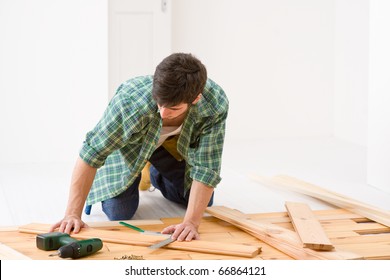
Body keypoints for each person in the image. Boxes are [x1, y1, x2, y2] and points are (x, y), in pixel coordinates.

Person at [50, 53, 229, 242]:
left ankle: (153, 172)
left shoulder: (214, 104)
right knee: (119, 212)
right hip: (130, 149)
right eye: (160, 103)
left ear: (196, 99)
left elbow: (207, 169)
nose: (163, 112)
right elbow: (91, 152)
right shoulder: (130, 102)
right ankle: (139, 167)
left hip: (170, 150)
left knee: (203, 202)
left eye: (174, 109)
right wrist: (72, 214)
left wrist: (191, 223)